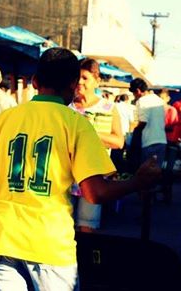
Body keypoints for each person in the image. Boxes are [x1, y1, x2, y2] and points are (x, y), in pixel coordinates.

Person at [0, 47, 161, 291]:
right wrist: (138, 182)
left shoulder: (7, 119)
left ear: (35, 81)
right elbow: (95, 193)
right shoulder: (76, 124)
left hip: (2, 242)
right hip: (50, 248)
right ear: (73, 85)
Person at [69, 58, 124, 233]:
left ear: (97, 80)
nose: (80, 82)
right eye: (77, 77)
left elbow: (118, 142)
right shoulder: (67, 107)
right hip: (65, 177)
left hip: (93, 179)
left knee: (87, 227)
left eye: (85, 78)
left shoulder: (108, 107)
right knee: (63, 229)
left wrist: (89, 133)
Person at [129, 78, 167, 168]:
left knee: (145, 174)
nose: (134, 96)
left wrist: (134, 131)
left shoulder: (142, 101)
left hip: (149, 142)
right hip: (162, 141)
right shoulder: (159, 100)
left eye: (134, 93)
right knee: (156, 172)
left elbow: (143, 122)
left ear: (138, 91)